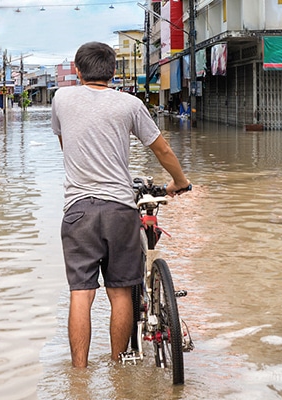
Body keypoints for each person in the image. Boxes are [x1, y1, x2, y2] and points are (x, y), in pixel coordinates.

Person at [51, 41, 191, 368]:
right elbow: (163, 150)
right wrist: (180, 182)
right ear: (114, 71)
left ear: (76, 68)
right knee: (120, 293)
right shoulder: (129, 104)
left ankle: (80, 375)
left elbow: (64, 143)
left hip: (78, 211)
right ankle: (119, 366)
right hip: (119, 209)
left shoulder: (61, 98)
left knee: (81, 295)